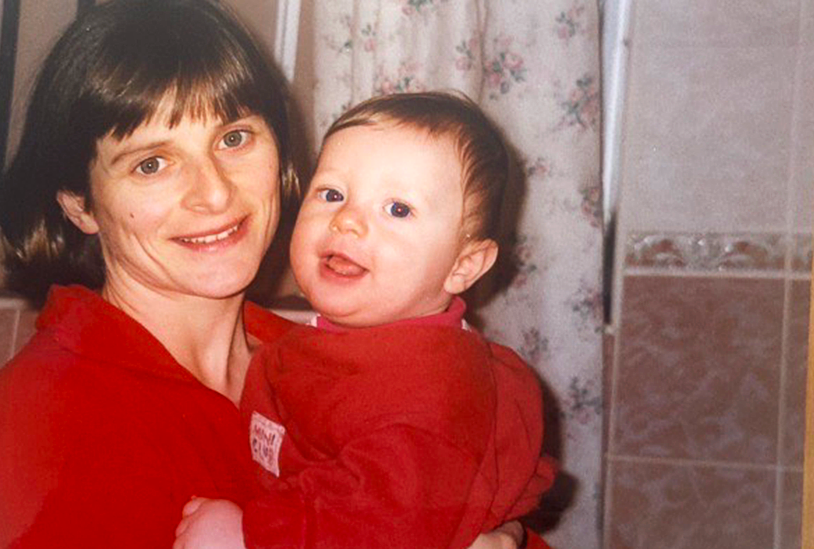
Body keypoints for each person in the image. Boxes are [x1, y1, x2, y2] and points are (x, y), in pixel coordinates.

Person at [0, 2, 525, 547]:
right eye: (152, 163)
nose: (215, 193)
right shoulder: (50, 422)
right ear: (80, 204)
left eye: (235, 137)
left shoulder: (325, 356)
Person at [175, 92, 556, 549]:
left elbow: (378, 529)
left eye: (398, 209)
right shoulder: (343, 342)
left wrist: (244, 537)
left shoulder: (425, 396)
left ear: (464, 266)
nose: (348, 220)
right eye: (332, 194)